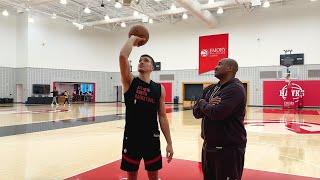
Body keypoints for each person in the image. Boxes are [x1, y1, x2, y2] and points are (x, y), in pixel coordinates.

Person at [119, 35, 173, 180]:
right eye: (140, 60)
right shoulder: (130, 82)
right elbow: (123, 56)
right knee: (132, 177)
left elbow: (162, 116)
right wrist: (132, 38)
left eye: (146, 60)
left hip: (152, 138)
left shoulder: (159, 88)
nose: (141, 62)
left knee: (154, 177)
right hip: (132, 137)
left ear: (152, 67)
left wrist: (169, 142)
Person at [193, 58, 247, 180]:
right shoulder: (211, 88)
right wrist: (206, 104)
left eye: (219, 64)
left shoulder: (235, 89)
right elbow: (196, 112)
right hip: (208, 147)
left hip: (228, 150)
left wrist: (202, 102)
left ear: (230, 68)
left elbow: (217, 113)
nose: (215, 67)